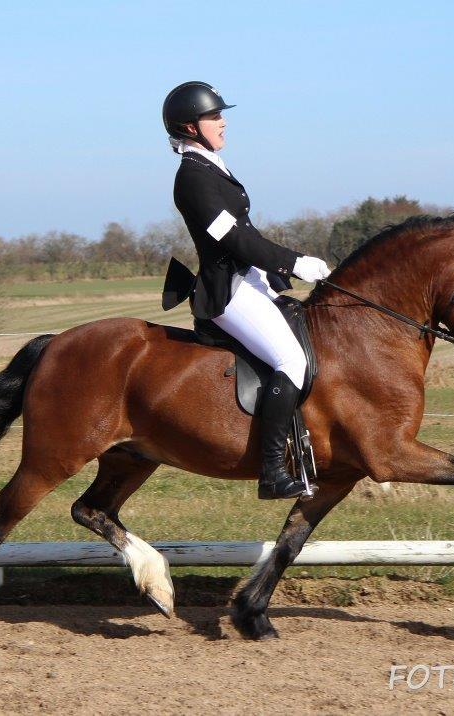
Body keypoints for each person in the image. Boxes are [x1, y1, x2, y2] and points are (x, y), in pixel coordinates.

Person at [162, 81, 332, 500]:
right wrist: (294, 262)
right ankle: (273, 471)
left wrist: (278, 269)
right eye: (214, 116)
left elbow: (247, 233)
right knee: (290, 360)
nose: (223, 122)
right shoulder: (192, 179)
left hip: (250, 281)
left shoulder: (211, 166)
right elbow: (233, 240)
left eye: (221, 114)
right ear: (189, 127)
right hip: (228, 292)